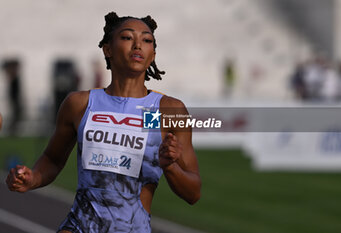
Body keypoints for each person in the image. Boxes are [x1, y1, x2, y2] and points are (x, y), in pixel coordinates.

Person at [6, 12, 201, 233]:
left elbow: (193, 193)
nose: (138, 45)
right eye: (127, 38)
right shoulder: (79, 104)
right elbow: (52, 158)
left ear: (153, 54)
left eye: (146, 40)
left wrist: (170, 167)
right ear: (107, 49)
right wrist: (31, 179)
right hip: (78, 226)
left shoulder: (166, 111)